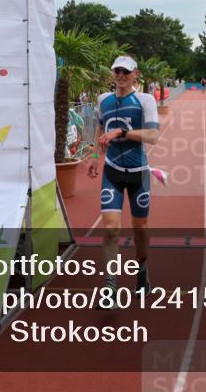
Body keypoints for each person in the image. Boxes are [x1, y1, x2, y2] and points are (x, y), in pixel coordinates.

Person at [86, 55, 161, 303]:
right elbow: (100, 128)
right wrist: (96, 155)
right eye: (117, 71)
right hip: (112, 171)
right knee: (110, 228)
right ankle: (110, 287)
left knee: (140, 228)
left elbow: (152, 135)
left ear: (135, 74)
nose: (121, 75)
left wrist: (122, 132)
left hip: (139, 173)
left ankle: (142, 269)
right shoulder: (103, 100)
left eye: (126, 72)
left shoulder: (145, 100)